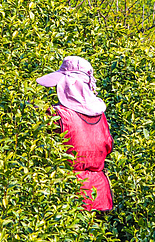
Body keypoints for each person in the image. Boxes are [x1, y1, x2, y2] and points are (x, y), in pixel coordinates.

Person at [37, 57, 113, 212]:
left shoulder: (57, 115)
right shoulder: (100, 116)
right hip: (100, 195)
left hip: (69, 192)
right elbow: (108, 146)